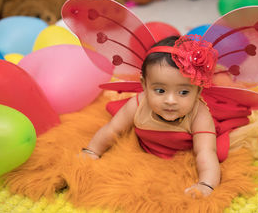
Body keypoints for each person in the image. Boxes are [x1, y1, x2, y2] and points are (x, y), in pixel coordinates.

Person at [81, 35, 220, 197]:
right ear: (144, 85)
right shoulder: (138, 104)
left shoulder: (200, 115)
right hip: (145, 154)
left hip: (181, 157)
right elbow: (113, 129)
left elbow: (206, 152)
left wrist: (206, 184)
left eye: (183, 92)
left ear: (198, 91)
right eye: (160, 90)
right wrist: (92, 151)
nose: (170, 101)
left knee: (221, 152)